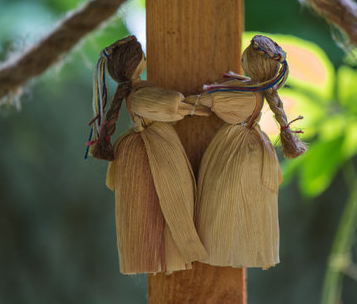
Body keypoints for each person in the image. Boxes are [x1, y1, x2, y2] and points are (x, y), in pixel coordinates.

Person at [87, 35, 208, 274]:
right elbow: (171, 104)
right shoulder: (140, 96)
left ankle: (168, 253)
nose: (146, 59)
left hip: (153, 144)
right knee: (163, 201)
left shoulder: (136, 92)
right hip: (154, 149)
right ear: (136, 64)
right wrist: (200, 107)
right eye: (142, 56)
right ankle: (164, 255)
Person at [192, 35, 307, 269]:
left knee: (225, 199)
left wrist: (186, 102)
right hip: (247, 142)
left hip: (237, 150)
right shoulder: (254, 88)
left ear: (250, 63)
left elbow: (212, 102)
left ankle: (221, 247)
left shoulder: (247, 98)